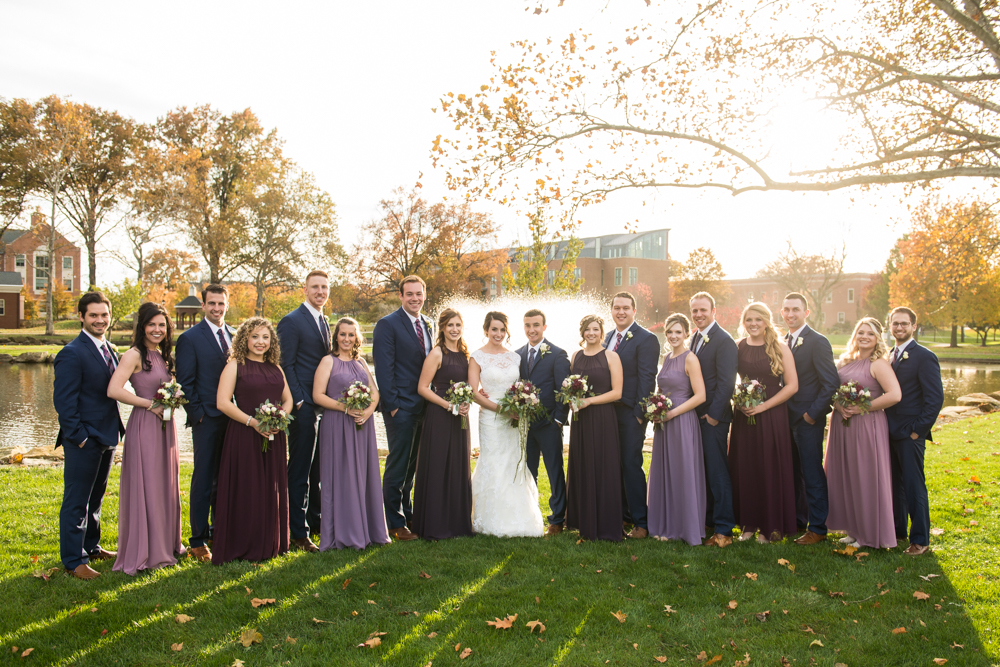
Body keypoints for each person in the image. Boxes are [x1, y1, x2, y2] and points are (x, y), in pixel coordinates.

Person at [107, 302, 185, 575]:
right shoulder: (134, 354)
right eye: (151, 324)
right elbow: (114, 389)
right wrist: (149, 404)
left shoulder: (164, 355)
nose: (157, 329)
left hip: (166, 426)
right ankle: (146, 550)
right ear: (142, 327)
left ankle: (166, 543)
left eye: (162, 325)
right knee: (149, 484)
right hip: (145, 426)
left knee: (165, 483)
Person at [53, 292, 125, 580]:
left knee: (95, 498)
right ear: (81, 317)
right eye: (93, 315)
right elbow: (64, 403)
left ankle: (91, 546)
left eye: (104, 315)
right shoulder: (72, 352)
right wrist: (80, 437)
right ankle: (73, 560)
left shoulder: (110, 349)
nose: (99, 320)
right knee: (77, 500)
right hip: (84, 440)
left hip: (107, 435)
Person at [212, 317, 292, 565]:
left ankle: (270, 542)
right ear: (245, 339)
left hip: (273, 435)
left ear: (272, 341)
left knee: (271, 486)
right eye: (255, 336)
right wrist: (254, 423)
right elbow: (222, 402)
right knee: (248, 488)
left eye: (265, 337)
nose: (260, 342)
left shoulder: (276, 368)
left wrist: (280, 418)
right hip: (245, 435)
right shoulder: (235, 365)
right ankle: (244, 543)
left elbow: (287, 399)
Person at [312, 317, 389, 550]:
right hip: (336, 424)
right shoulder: (328, 361)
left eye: (351, 334)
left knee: (363, 475)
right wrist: (345, 408)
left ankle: (368, 529)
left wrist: (367, 412)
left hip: (361, 426)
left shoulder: (362, 363)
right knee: (340, 476)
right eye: (343, 334)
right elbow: (318, 395)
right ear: (336, 336)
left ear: (357, 338)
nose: (347, 338)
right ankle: (343, 532)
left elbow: (375, 393)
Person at [825, 317, 901, 549]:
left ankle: (868, 534)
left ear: (878, 338)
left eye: (870, 333)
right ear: (855, 335)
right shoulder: (846, 361)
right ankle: (852, 528)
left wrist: (860, 408)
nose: (864, 337)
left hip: (867, 425)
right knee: (845, 474)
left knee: (864, 476)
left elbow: (894, 395)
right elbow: (835, 391)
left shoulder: (878, 364)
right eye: (860, 332)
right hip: (843, 424)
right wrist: (838, 406)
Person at [175, 283, 237, 562]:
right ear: (203, 306)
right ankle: (197, 539)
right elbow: (186, 382)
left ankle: (218, 529)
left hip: (233, 419)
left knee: (224, 478)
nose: (216, 308)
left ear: (227, 305)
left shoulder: (235, 335)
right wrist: (198, 414)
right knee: (203, 479)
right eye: (211, 303)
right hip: (207, 419)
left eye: (221, 304)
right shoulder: (190, 338)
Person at [469, 311, 545, 537]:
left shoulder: (515, 357)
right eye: (494, 329)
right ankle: (489, 518)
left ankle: (520, 517)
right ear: (486, 331)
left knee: (514, 462)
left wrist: (522, 404)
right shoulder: (477, 357)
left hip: (515, 420)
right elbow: (474, 393)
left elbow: (520, 387)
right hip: (491, 420)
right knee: (493, 462)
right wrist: (502, 409)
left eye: (502, 330)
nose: (498, 334)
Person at [729, 302, 799, 543]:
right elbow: (730, 382)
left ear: (767, 321)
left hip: (771, 413)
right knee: (746, 466)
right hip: (745, 413)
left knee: (768, 466)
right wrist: (740, 403)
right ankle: (748, 524)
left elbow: (792, 385)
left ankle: (770, 527)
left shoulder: (780, 348)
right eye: (749, 320)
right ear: (744, 323)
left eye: (758, 320)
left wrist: (764, 407)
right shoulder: (738, 347)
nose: (753, 324)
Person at [372, 275, 433, 541]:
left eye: (418, 294)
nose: (414, 298)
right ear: (400, 296)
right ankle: (394, 523)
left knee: (412, 466)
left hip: (424, 407)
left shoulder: (427, 324)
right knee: (397, 465)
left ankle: (407, 515)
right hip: (401, 408)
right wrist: (394, 407)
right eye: (409, 294)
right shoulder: (387, 325)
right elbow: (384, 370)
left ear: (424, 295)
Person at [277, 270, 333, 552]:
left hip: (322, 405)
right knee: (299, 469)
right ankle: (297, 531)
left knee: (316, 470)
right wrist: (298, 402)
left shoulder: (324, 320)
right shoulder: (291, 322)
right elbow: (285, 364)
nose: (320, 291)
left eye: (324, 287)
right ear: (305, 290)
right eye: (315, 287)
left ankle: (316, 521)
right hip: (303, 407)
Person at [779, 293, 840, 546]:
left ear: (806, 312)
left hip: (807, 421)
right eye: (786, 309)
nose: (790, 314)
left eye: (795, 309)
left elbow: (830, 384)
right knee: (793, 473)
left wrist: (811, 415)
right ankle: (796, 522)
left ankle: (818, 528)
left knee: (812, 474)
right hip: (784, 419)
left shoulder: (818, 341)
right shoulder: (783, 341)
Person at [885, 306, 944, 556]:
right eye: (895, 323)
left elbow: (935, 399)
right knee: (894, 485)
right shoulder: (889, 355)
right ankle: (898, 533)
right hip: (888, 431)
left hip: (910, 433)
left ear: (913, 327)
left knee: (913, 485)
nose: (899, 328)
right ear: (890, 326)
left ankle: (920, 540)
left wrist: (917, 431)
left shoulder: (924, 356)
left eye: (904, 324)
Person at [412, 308, 474, 540]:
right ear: (442, 328)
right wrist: (449, 406)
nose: (454, 329)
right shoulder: (437, 353)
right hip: (440, 416)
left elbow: (470, 385)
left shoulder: (466, 354)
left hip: (461, 418)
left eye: (458, 325)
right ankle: (436, 524)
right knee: (439, 467)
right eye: (450, 325)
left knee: (458, 466)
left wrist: (468, 401)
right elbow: (422, 388)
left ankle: (458, 523)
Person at [602, 292, 659, 539]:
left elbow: (648, 377)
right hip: (606, 412)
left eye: (626, 307)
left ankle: (641, 522)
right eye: (616, 308)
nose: (621, 312)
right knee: (613, 464)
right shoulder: (607, 337)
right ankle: (621, 516)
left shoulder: (646, 339)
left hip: (630, 413)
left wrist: (640, 413)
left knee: (631, 464)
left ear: (634, 310)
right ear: (611, 310)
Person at [647, 313, 707, 546]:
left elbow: (700, 395)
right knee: (666, 471)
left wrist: (672, 412)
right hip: (664, 422)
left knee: (683, 471)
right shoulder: (666, 356)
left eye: (678, 332)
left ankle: (686, 527)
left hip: (682, 420)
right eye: (669, 332)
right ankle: (667, 524)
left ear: (687, 334)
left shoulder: (690, 358)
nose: (673, 336)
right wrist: (657, 408)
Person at [566, 314, 624, 542]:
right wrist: (572, 399)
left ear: (602, 332)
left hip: (602, 417)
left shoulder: (611, 356)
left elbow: (617, 392)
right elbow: (571, 387)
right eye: (587, 329)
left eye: (595, 329)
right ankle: (583, 520)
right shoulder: (575, 356)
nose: (591, 333)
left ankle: (606, 523)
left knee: (603, 465)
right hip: (580, 419)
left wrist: (589, 401)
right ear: (582, 333)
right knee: (582, 463)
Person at [689, 292, 739, 548]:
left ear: (713, 311)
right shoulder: (693, 338)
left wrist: (715, 416)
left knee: (718, 472)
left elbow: (726, 382)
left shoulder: (724, 341)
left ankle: (724, 530)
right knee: (703, 469)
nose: (698, 315)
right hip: (694, 416)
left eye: (703, 310)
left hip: (713, 418)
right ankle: (708, 520)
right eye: (694, 311)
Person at [516, 309, 571, 535]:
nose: (532, 330)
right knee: (528, 472)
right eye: (528, 325)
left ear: (544, 327)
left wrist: (558, 419)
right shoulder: (517, 354)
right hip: (525, 425)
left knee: (554, 471)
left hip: (549, 424)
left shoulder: (557, 354)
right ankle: (531, 517)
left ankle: (557, 519)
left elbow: (563, 388)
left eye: (536, 325)